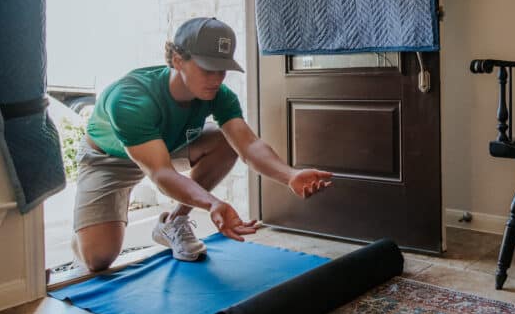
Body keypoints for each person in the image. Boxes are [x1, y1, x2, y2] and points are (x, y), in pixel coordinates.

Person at [72, 17, 332, 271]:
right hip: (109, 160)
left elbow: (248, 144)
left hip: (167, 146)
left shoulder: (218, 95)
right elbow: (161, 173)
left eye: (222, 69)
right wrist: (211, 203)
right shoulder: (130, 99)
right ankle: (83, 233)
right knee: (98, 259)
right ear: (177, 60)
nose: (217, 79)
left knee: (224, 141)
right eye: (208, 68)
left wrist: (290, 175)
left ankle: (174, 221)